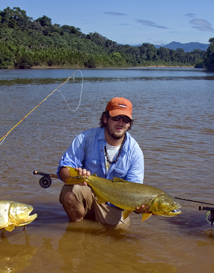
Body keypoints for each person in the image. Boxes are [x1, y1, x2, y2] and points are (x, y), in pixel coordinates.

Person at [57, 97, 147, 226]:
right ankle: (77, 227)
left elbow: (135, 190)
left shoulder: (135, 151)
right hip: (87, 193)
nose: (120, 123)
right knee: (70, 193)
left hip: (113, 205)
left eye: (125, 119)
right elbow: (64, 169)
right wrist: (74, 176)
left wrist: (141, 208)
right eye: (116, 117)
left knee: (120, 232)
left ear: (129, 123)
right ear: (105, 119)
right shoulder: (85, 138)